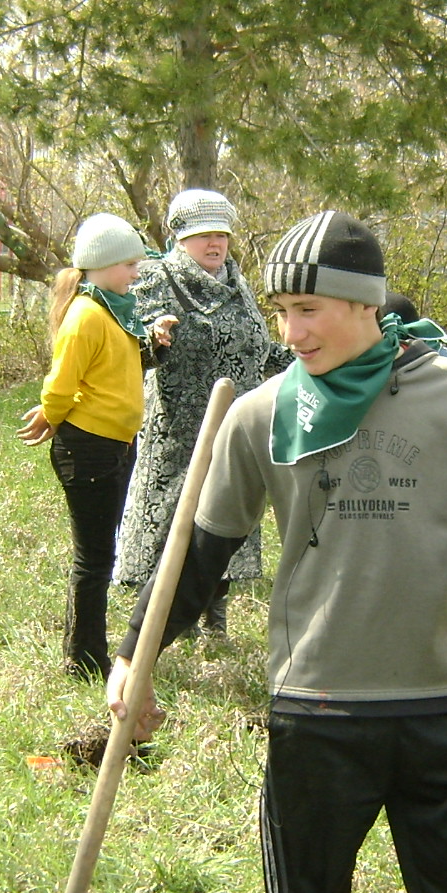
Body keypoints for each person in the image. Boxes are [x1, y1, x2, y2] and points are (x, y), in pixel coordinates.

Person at [107, 211, 447, 893]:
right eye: (282, 310)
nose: (293, 330)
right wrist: (135, 656)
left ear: (362, 304)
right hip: (318, 702)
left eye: (310, 308)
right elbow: (200, 557)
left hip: (446, 697)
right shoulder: (261, 413)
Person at [115, 189, 289, 635]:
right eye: (203, 236)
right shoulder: (158, 279)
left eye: (222, 236)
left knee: (226, 516)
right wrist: (154, 338)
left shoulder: (239, 283)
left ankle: (215, 620)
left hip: (236, 427)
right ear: (179, 239)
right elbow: (131, 346)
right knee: (176, 523)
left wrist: (304, 361)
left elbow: (257, 348)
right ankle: (167, 622)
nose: (215, 245)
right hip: (180, 432)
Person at [17, 214, 174, 679]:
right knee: (95, 558)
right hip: (88, 448)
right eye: (129, 264)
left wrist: (156, 344)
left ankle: (86, 649)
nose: (136, 273)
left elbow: (121, 367)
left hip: (115, 446)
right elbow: (60, 384)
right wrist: (51, 417)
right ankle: (84, 658)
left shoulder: (113, 310)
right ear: (103, 265)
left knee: (101, 554)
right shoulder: (87, 315)